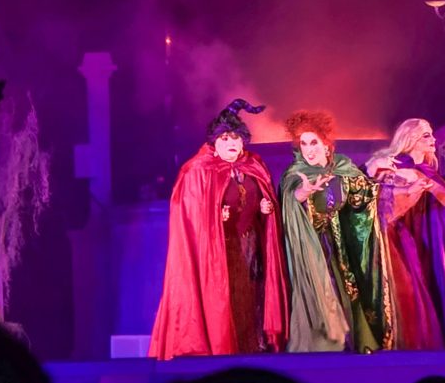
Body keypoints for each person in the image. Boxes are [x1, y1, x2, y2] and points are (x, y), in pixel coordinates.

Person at [149, 99, 289, 359]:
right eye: (224, 139)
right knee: (227, 301)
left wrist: (265, 209)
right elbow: (189, 214)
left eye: (235, 137)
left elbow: (260, 198)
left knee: (251, 298)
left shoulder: (253, 165)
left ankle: (252, 350)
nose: (231, 143)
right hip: (218, 253)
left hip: (250, 245)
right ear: (214, 143)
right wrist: (212, 215)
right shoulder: (197, 170)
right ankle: (224, 350)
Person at [280, 110, 394, 353]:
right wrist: (305, 193)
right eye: (303, 144)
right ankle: (327, 351)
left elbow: (360, 199)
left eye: (313, 142)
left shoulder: (343, 168)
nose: (308, 150)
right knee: (328, 297)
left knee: (351, 293)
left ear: (326, 144)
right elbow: (291, 197)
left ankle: (356, 349)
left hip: (342, 245)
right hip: (314, 249)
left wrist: (372, 170)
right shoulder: (296, 173)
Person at [367, 118, 445, 350]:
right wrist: (404, 189)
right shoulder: (392, 167)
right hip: (395, 241)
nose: (433, 140)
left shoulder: (427, 174)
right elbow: (375, 201)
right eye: (426, 136)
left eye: (431, 134)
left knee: (424, 291)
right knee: (406, 294)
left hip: (421, 242)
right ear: (411, 140)